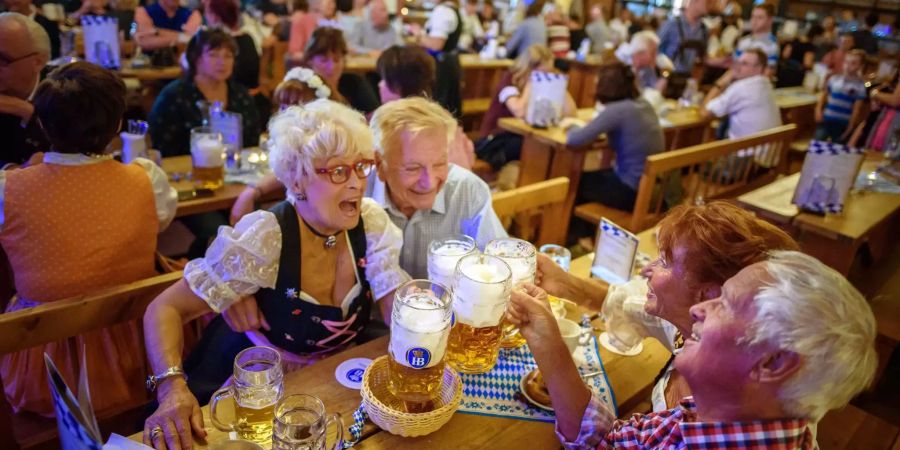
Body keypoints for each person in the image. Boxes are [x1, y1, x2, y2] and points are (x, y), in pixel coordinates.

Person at [141, 100, 408, 450]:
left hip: (337, 374)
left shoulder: (371, 223)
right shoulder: (267, 237)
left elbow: (392, 299)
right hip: (265, 384)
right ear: (298, 180)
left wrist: (417, 336)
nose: (357, 183)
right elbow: (163, 309)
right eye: (339, 171)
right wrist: (171, 387)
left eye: (362, 167)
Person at [510, 250, 877, 448]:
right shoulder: (710, 415)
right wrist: (545, 337)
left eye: (725, 304)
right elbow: (607, 443)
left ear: (773, 362)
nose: (700, 310)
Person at [0, 61, 177, 418]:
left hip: (42, 372)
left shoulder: (9, 189)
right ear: (116, 125)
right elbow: (160, 220)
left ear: (44, 124)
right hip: (139, 357)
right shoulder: (146, 178)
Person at [536, 201, 798, 411]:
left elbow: (602, 441)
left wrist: (545, 338)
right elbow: (631, 304)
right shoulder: (702, 331)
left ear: (710, 295)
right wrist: (565, 284)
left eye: (663, 261)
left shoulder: (721, 411)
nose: (647, 270)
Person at [368, 97, 507, 281]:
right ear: (379, 164)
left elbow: (498, 263)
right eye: (413, 168)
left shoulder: (467, 190)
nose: (430, 182)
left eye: (440, 163)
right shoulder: (356, 192)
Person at [566, 61, 663, 212]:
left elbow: (574, 139)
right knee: (592, 178)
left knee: (574, 180)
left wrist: (571, 124)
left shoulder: (617, 110)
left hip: (630, 191)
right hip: (650, 187)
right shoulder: (644, 104)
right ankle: (584, 230)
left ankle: (573, 233)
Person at [148, 28, 261, 156]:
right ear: (196, 58)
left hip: (239, 169)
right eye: (213, 55)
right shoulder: (174, 96)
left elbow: (253, 141)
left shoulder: (241, 95)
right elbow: (163, 147)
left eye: (228, 56)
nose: (222, 62)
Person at [477, 44, 577, 172]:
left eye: (550, 72)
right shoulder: (509, 80)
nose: (545, 77)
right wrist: (531, 83)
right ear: (529, 69)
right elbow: (519, 111)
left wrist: (559, 86)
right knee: (536, 148)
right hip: (495, 141)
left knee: (549, 148)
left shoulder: (544, 83)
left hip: (521, 136)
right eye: (544, 73)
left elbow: (572, 113)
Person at [0, 12, 50, 169]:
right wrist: (10, 171)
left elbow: (75, 151)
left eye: (3, 60)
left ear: (38, 62)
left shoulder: (63, 91)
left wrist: (28, 113)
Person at [702, 48, 781, 140]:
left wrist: (722, 81)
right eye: (737, 63)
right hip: (771, 151)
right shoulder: (766, 84)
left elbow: (704, 113)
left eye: (744, 64)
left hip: (747, 153)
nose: (737, 67)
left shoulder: (741, 88)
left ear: (758, 68)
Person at [301, 26, 379, 113]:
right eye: (324, 61)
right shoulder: (302, 90)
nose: (331, 67)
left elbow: (376, 119)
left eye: (336, 60)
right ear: (309, 60)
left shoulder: (355, 83)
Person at [417, 0, 463, 118]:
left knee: (439, 107)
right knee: (448, 106)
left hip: (441, 65)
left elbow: (437, 44)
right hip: (449, 62)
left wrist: (418, 35)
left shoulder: (442, 11)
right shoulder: (452, 8)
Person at [204, 0, 260, 90]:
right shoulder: (247, 38)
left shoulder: (218, 43)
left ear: (214, 16)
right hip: (254, 96)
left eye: (207, 12)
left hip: (230, 98)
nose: (205, 17)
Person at [815, 49, 867, 144]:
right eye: (846, 62)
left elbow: (857, 109)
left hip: (842, 122)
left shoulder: (860, 86)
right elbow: (824, 95)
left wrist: (850, 126)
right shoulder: (834, 79)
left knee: (837, 147)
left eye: (853, 63)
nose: (848, 66)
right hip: (826, 118)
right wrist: (818, 110)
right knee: (817, 144)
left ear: (860, 66)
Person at [658, 0, 707, 74]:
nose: (712, 4)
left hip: (689, 77)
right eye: (709, 1)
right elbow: (654, 48)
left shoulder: (704, 29)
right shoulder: (671, 24)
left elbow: (702, 57)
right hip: (668, 76)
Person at [134, 0, 202, 51]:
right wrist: (182, 37)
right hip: (148, 66)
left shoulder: (193, 14)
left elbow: (191, 41)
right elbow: (145, 42)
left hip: (181, 66)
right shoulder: (143, 11)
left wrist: (157, 32)